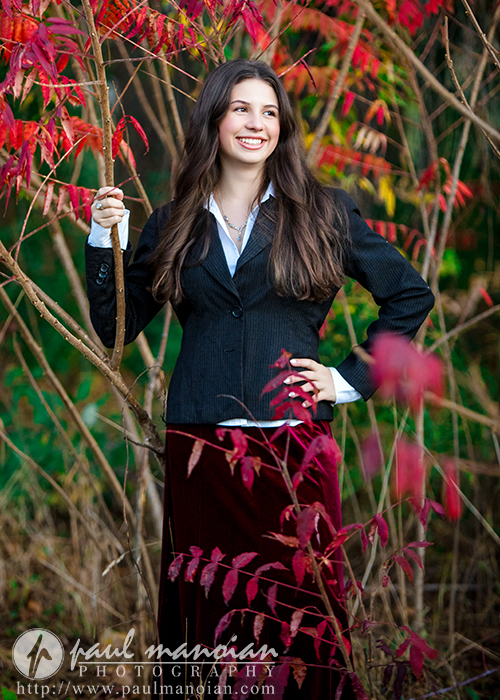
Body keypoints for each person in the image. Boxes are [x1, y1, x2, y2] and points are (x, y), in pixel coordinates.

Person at [85, 59, 434, 698]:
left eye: (269, 112)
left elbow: (409, 294)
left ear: (283, 126)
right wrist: (105, 239)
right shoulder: (173, 221)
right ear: (215, 119)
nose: (256, 123)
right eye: (242, 108)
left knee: (304, 615)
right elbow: (115, 330)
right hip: (202, 453)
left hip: (295, 447)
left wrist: (349, 378)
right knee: (209, 618)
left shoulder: (322, 213)